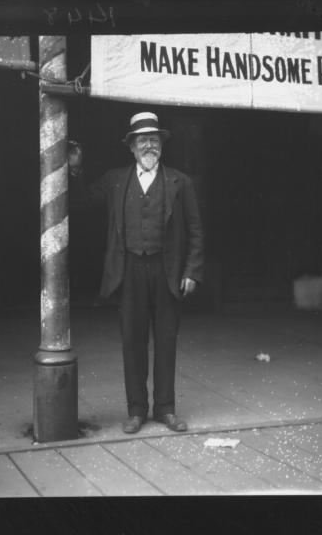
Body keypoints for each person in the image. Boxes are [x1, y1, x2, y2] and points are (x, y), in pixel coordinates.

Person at [69, 111, 204, 434]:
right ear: (131, 147)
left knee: (166, 340)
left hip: (167, 270)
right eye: (142, 140)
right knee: (132, 341)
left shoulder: (180, 182)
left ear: (162, 145)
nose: (148, 145)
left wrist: (192, 271)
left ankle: (166, 409)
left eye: (154, 140)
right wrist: (74, 169)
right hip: (129, 270)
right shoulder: (116, 180)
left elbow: (196, 231)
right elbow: (80, 203)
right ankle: (136, 410)